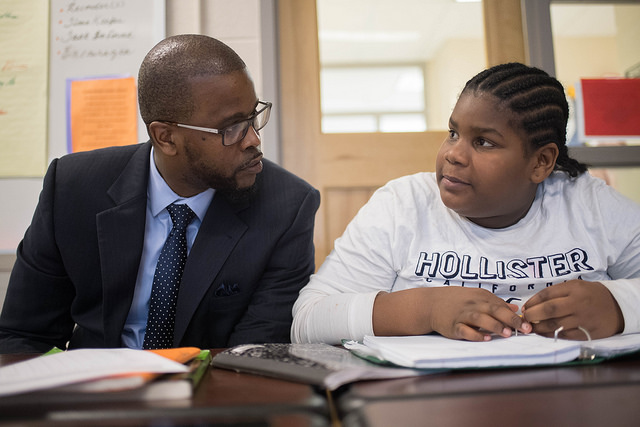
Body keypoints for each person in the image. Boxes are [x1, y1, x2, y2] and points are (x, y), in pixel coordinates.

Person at [0, 34, 320, 353]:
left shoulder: (287, 207)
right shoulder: (73, 189)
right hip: (96, 391)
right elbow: (22, 336)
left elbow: (254, 357)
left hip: (209, 394)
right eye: (231, 128)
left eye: (254, 116)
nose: (253, 139)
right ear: (165, 137)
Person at [291, 62, 640, 345]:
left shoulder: (588, 204)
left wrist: (618, 306)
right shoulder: (402, 205)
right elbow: (308, 320)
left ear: (540, 163)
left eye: (484, 142)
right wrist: (425, 308)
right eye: (453, 133)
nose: (453, 154)